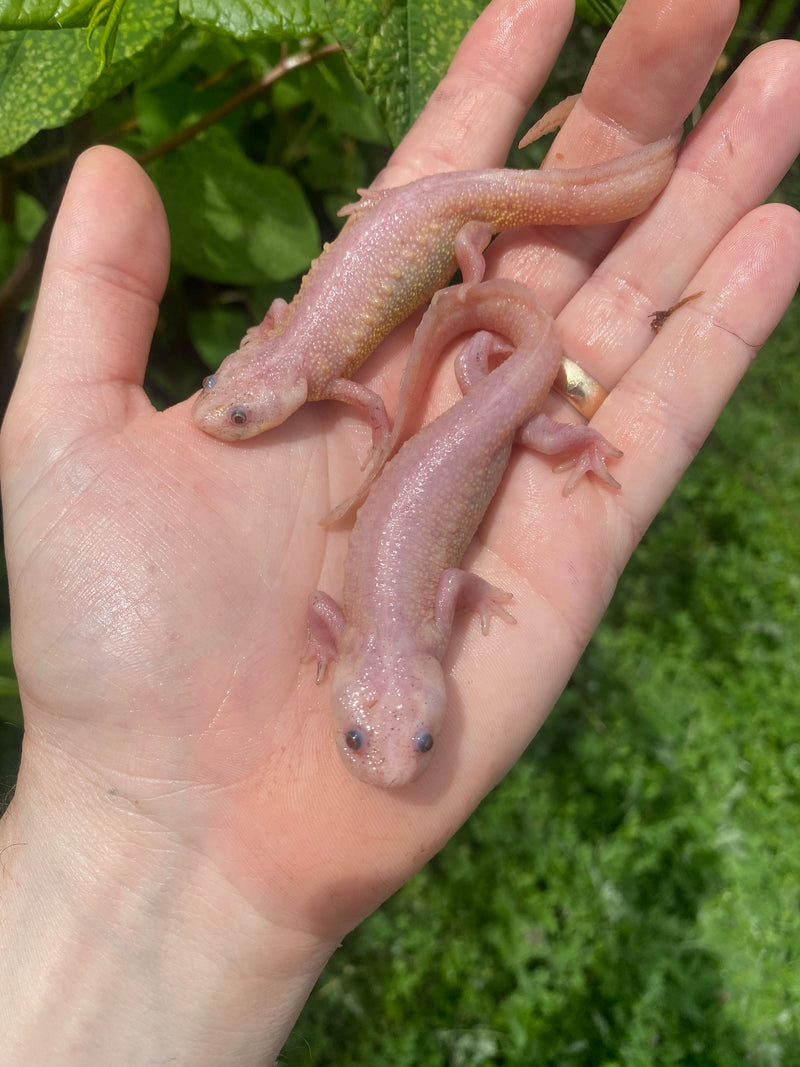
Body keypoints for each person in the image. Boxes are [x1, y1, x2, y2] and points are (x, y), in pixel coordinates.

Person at [1, 0, 798, 1060]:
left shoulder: (400, 578)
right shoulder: (401, 603)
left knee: (500, 339)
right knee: (499, 357)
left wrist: (468, 317)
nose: (393, 751)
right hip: (461, 314)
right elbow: (359, 598)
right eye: (411, 733)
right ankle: (531, 282)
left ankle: (576, 230)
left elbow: (370, 586)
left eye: (389, 732)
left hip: (461, 281)